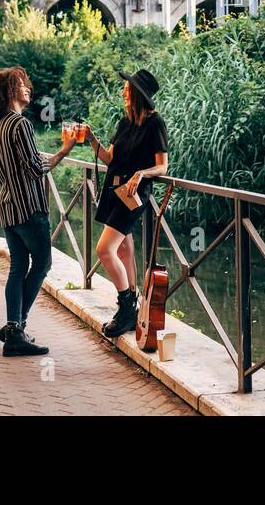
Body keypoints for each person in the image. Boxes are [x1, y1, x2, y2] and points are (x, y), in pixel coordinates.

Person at [0, 65, 75, 357]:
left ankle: (12, 328)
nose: (27, 88)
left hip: (7, 205)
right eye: (21, 84)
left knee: (18, 267)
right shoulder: (21, 125)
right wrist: (64, 151)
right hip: (29, 207)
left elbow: (1, 170)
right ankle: (17, 329)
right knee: (43, 264)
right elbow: (35, 168)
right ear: (9, 91)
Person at [82, 68, 169, 338]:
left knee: (104, 249)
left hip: (133, 196)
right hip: (114, 190)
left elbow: (163, 167)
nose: (123, 92)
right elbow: (110, 159)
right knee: (123, 250)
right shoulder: (124, 123)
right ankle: (132, 304)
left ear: (138, 95)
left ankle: (126, 307)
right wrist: (91, 138)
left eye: (128, 90)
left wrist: (141, 173)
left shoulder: (155, 123)